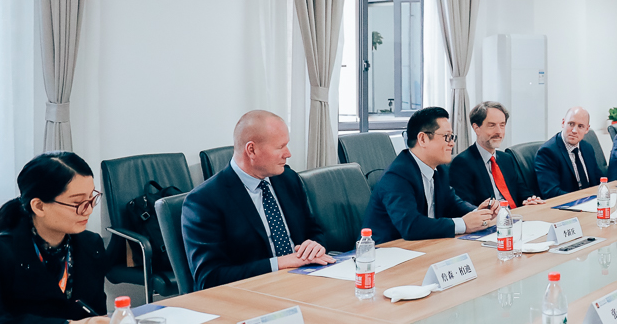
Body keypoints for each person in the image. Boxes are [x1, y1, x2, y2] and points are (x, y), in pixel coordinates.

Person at [0, 152, 117, 324]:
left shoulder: (90, 244)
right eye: (77, 203)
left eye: (91, 199)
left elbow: (94, 312)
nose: (88, 210)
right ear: (39, 206)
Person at [183, 110, 333, 290]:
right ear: (251, 150)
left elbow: (313, 230)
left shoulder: (288, 179)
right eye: (280, 147)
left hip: (304, 282)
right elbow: (209, 278)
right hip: (253, 293)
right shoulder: (204, 201)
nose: (288, 154)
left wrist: (315, 246)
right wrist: (280, 263)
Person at [363, 106, 497, 242]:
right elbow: (411, 226)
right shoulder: (397, 176)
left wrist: (479, 213)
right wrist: (464, 224)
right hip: (384, 250)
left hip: (424, 245)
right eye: (447, 137)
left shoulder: (439, 170)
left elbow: (452, 203)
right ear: (423, 139)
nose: (452, 143)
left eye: (452, 137)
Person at [449, 101, 545, 208]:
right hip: (491, 217)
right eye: (492, 125)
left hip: (516, 214)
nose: (499, 132)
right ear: (476, 128)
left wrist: (528, 200)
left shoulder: (506, 158)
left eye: (502, 125)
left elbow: (522, 192)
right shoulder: (463, 163)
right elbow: (465, 206)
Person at [534, 106, 604, 198]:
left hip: (590, 200)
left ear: (587, 129)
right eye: (571, 124)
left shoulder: (587, 147)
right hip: (567, 204)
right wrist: (583, 198)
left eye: (580, 126)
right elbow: (551, 192)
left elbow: (598, 180)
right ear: (563, 123)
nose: (574, 131)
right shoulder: (547, 152)